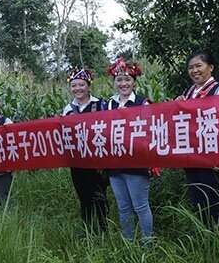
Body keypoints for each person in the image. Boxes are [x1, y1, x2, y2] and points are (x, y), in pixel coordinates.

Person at [176, 50, 219, 229]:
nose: (194, 71)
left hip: (215, 158)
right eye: (191, 67)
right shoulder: (189, 92)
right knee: (198, 203)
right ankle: (206, 244)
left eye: (198, 66)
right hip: (193, 157)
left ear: (211, 67)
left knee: (216, 204)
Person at [105, 57, 154, 241]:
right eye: (119, 80)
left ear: (134, 82)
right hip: (115, 163)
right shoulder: (109, 104)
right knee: (123, 207)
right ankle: (128, 242)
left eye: (127, 80)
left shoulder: (143, 103)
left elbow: (150, 131)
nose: (123, 83)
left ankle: (147, 245)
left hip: (136, 163)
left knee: (140, 206)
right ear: (114, 83)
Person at [62, 68, 109, 232]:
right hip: (77, 161)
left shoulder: (101, 105)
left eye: (81, 85)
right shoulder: (68, 109)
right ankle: (88, 230)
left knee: (99, 196)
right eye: (74, 86)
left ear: (88, 86)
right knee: (83, 196)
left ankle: (103, 230)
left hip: (98, 161)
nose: (78, 89)